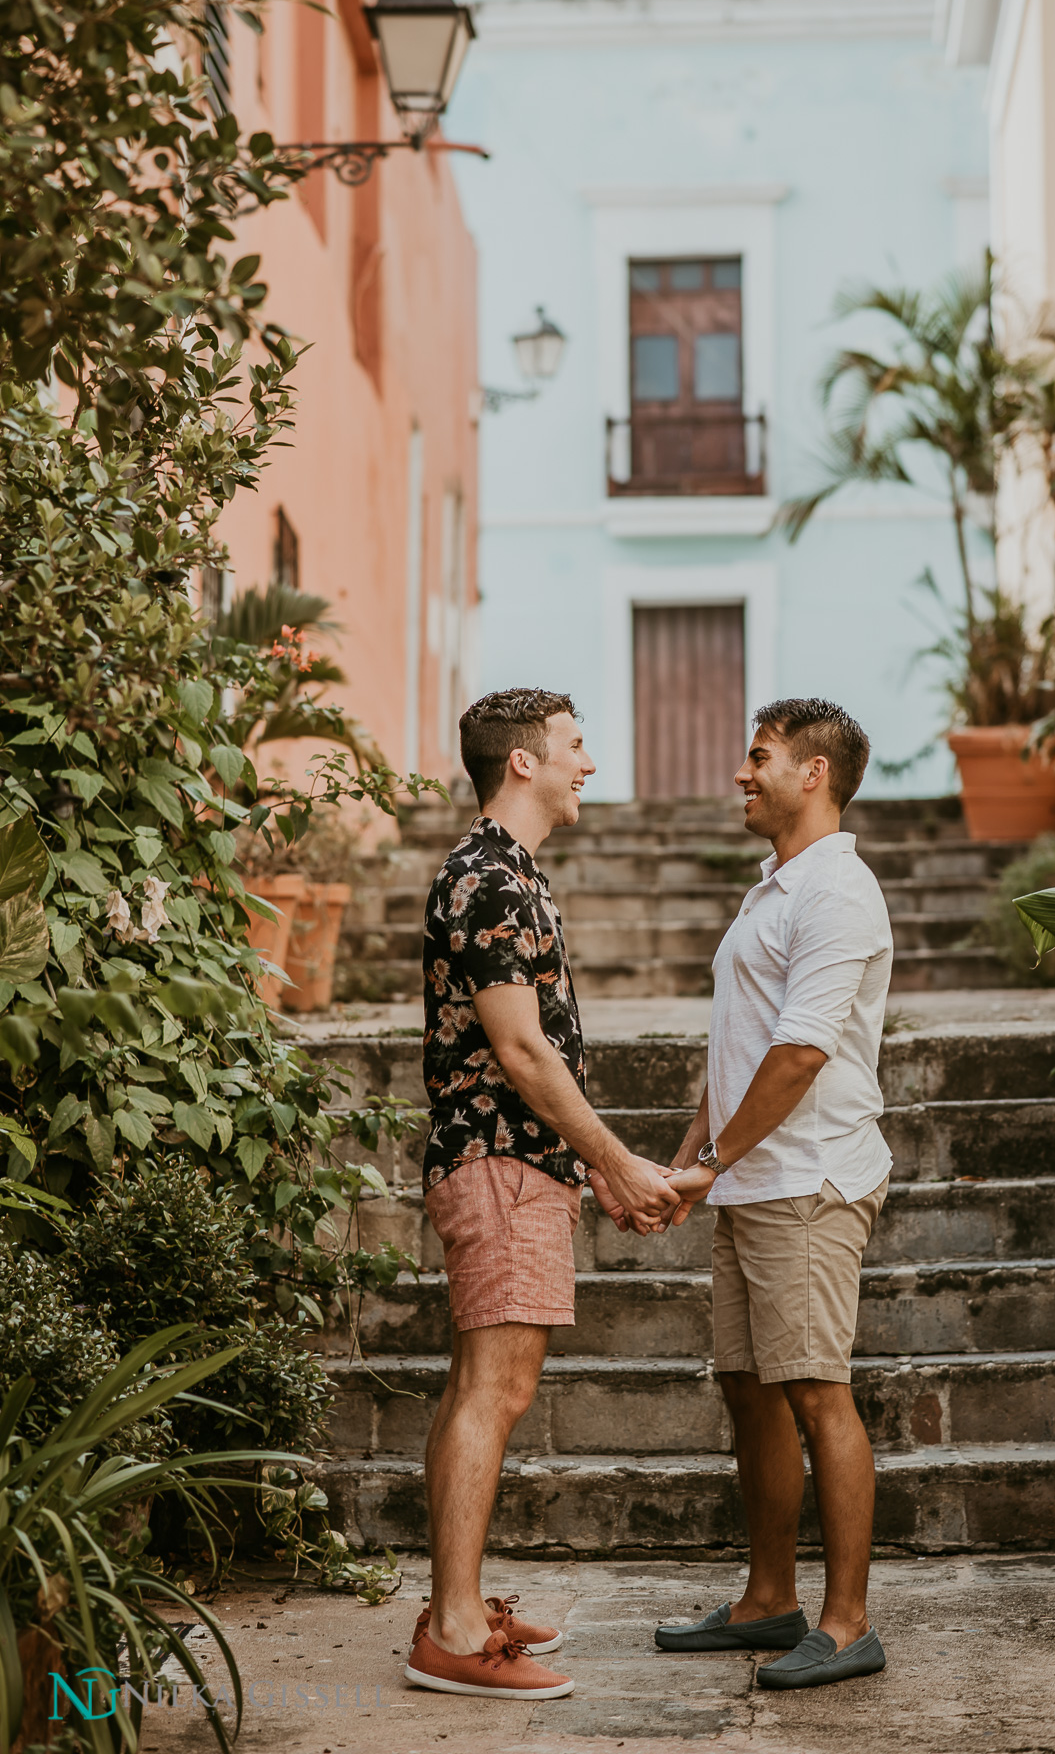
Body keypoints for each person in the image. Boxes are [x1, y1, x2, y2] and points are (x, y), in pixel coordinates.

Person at [405, 687, 681, 1701]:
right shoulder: (489, 878)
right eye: (572, 745)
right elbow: (519, 1050)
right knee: (496, 1388)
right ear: (520, 762)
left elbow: (528, 1049)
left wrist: (584, 1163)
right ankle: (455, 1632)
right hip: (497, 1160)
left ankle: (455, 1600)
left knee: (476, 1382)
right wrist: (613, 1162)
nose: (588, 763)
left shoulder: (506, 873)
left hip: (513, 1159)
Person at [654, 698, 893, 1691]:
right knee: (747, 1387)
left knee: (814, 1390)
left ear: (813, 774)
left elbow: (797, 1053)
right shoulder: (775, 887)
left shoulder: (836, 892)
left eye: (758, 759)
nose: (741, 775)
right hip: (751, 1177)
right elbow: (742, 1046)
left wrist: (711, 1162)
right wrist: (687, 1160)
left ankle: (845, 1624)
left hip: (808, 1177)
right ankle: (766, 1600)